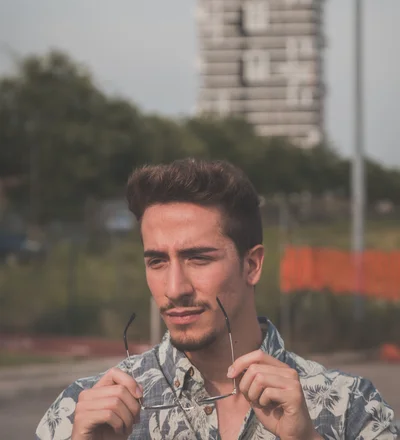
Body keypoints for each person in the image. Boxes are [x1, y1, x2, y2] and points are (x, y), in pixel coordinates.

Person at [36, 159, 397, 440]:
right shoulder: (83, 410)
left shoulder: (350, 404)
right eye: (158, 261)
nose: (175, 288)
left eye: (199, 258)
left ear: (252, 264)